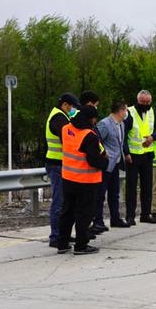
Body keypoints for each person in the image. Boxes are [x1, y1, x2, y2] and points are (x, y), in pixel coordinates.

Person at [57, 105, 107, 255]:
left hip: (68, 178)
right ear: (90, 118)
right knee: (84, 214)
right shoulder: (89, 136)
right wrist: (105, 162)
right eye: (94, 118)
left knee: (67, 212)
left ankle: (62, 243)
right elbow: (94, 160)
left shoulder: (66, 129)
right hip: (85, 180)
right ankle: (81, 245)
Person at [45, 92, 81, 249]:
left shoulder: (61, 116)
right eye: (72, 107)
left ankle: (62, 234)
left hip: (61, 164)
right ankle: (56, 236)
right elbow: (67, 138)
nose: (73, 110)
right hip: (57, 164)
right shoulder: (58, 118)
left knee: (65, 201)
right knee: (59, 202)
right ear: (65, 105)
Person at [124, 89, 156, 224]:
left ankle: (145, 214)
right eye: (142, 102)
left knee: (147, 187)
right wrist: (126, 152)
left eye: (148, 102)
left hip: (147, 154)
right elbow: (124, 134)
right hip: (133, 156)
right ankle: (130, 216)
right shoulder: (129, 113)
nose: (145, 104)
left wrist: (153, 137)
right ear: (138, 101)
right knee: (131, 188)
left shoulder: (152, 112)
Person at [94, 100, 130, 229]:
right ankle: (98, 220)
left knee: (114, 194)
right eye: (125, 110)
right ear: (120, 111)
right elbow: (97, 140)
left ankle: (115, 218)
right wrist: (103, 153)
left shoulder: (121, 124)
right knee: (100, 194)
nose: (126, 113)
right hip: (106, 164)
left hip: (116, 163)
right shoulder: (104, 124)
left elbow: (121, 142)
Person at [79, 91, 105, 235]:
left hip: (78, 172)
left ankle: (86, 229)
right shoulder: (84, 126)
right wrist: (104, 161)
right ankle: (82, 237)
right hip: (83, 171)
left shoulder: (81, 123)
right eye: (95, 105)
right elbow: (92, 146)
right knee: (84, 206)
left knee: (85, 205)